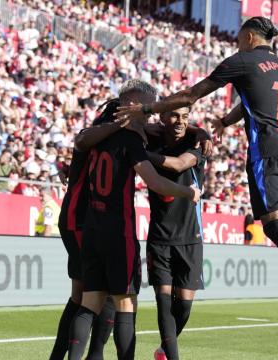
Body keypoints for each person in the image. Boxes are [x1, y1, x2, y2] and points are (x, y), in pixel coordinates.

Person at [116, 17, 278, 346]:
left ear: (249, 36)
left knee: (273, 223)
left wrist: (148, 108)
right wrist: (228, 120)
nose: (236, 43)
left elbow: (190, 95)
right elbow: (255, 100)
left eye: (239, 38)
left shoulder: (242, 59)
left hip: (268, 151)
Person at [68, 80, 201, 360]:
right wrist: (188, 192)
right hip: (119, 232)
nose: (149, 114)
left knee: (89, 303)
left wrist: (198, 130)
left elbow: (80, 142)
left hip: (92, 228)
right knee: (125, 306)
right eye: (145, 108)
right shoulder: (130, 140)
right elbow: (156, 183)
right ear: (131, 104)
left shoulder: (99, 134)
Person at [49, 98, 129, 360]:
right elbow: (82, 144)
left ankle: (63, 356)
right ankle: (91, 355)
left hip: (81, 219)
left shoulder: (102, 133)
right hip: (81, 219)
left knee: (83, 294)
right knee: (99, 293)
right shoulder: (100, 135)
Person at [144, 107, 206, 360]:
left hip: (191, 237)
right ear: (162, 117)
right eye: (174, 115)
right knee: (164, 303)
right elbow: (136, 127)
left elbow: (179, 164)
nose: (180, 121)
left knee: (184, 308)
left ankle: (163, 349)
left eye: (185, 117)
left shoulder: (197, 145)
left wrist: (140, 156)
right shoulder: (151, 141)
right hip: (159, 237)